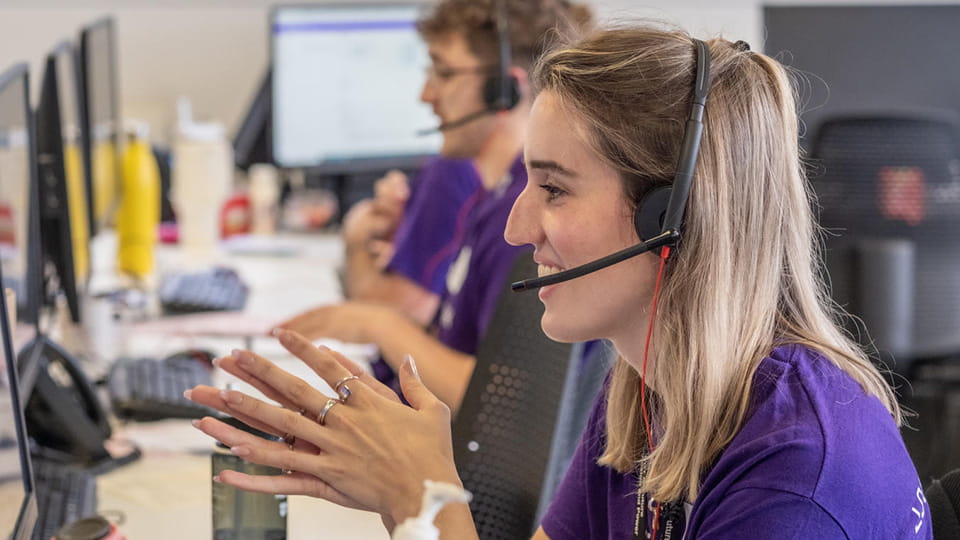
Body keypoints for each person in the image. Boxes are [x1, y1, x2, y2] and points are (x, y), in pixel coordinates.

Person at [188, 23, 931, 539]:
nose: (516, 227)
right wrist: (400, 487)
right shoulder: (648, 393)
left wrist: (423, 499)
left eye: (554, 189)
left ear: (669, 216)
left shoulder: (796, 476)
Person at [278, 0, 593, 410]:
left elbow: (507, 405)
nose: (426, 95)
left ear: (504, 90)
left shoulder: (523, 220)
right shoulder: (491, 198)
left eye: (443, 73)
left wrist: (381, 323)